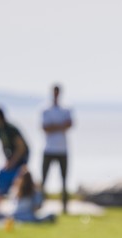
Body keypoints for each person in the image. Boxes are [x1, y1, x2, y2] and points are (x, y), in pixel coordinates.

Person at [40, 84, 73, 214]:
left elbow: (70, 125)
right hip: (48, 149)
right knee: (44, 179)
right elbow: (45, 128)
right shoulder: (45, 109)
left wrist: (54, 126)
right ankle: (40, 204)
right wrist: (60, 126)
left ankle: (65, 207)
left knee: (64, 180)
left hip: (63, 149)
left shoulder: (66, 108)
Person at [0, 106, 30, 197]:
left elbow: (21, 148)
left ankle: (22, 196)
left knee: (19, 176)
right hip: (12, 155)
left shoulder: (10, 128)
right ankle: (1, 195)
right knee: (3, 173)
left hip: (22, 156)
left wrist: (13, 161)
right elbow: (3, 145)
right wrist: (7, 161)